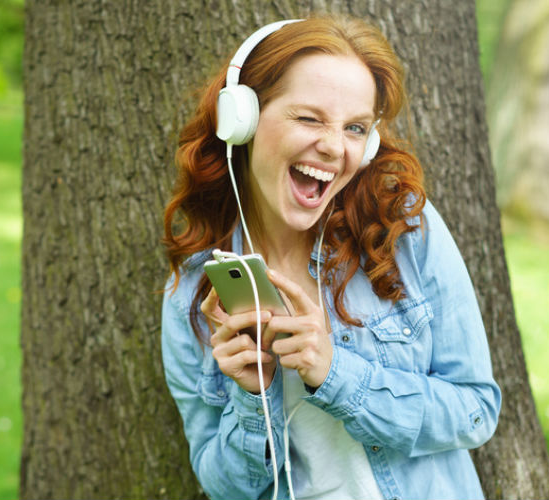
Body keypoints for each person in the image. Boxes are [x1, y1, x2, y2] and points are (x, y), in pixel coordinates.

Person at [160, 14, 502, 500]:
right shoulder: (193, 296)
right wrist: (252, 396)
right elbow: (224, 487)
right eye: (309, 118)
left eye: (355, 128)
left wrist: (336, 374)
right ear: (243, 119)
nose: (333, 147)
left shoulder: (403, 232)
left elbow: (475, 410)